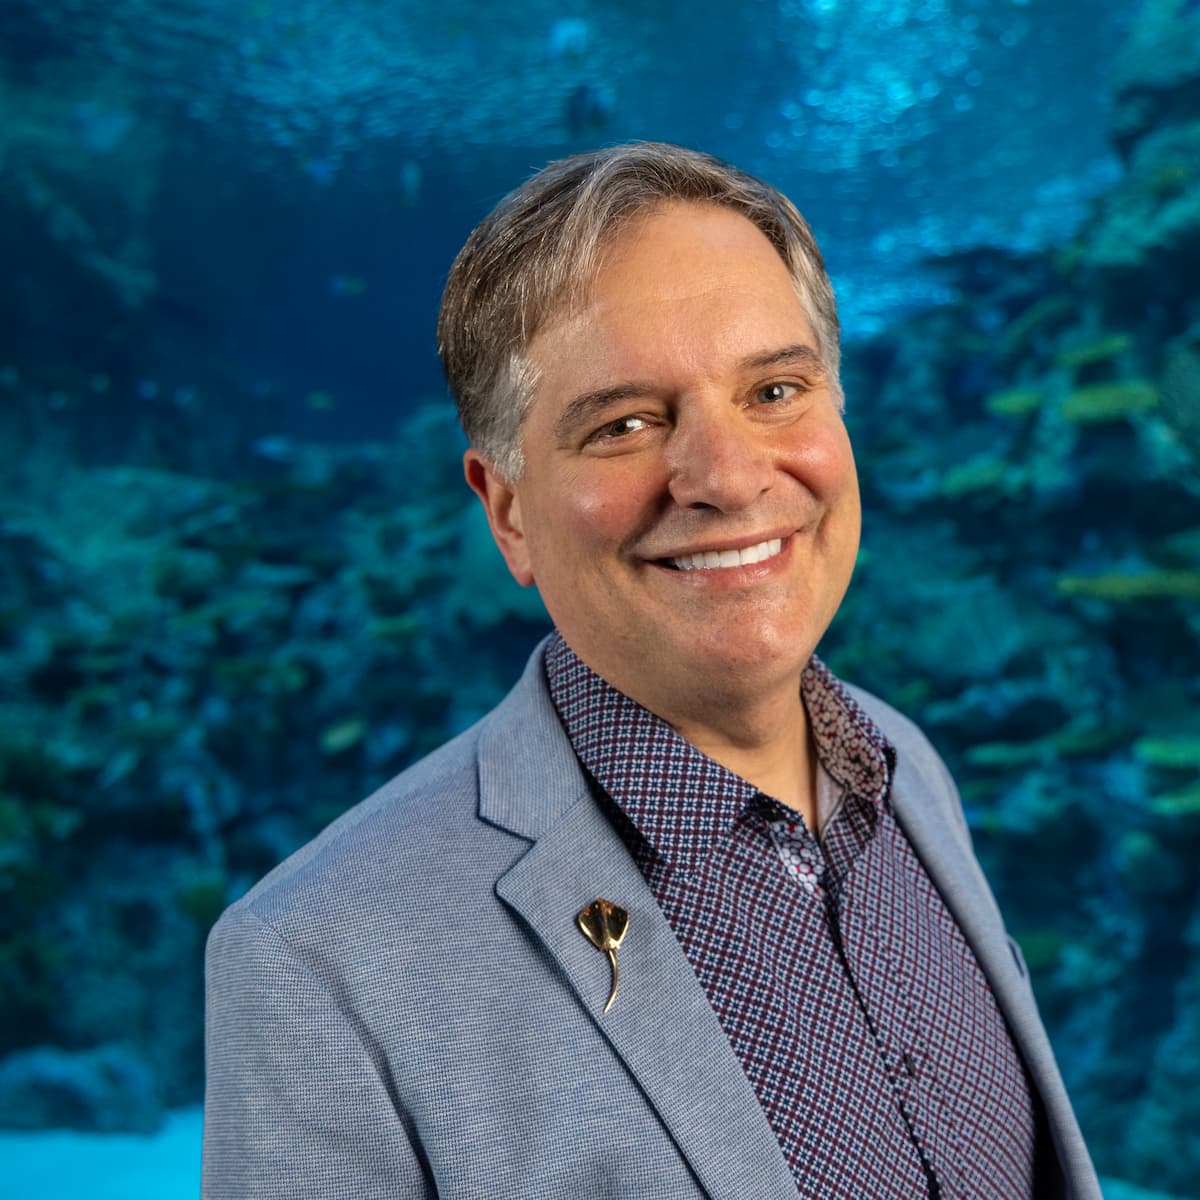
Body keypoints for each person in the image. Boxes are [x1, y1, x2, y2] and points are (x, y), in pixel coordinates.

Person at [202, 142, 1101, 1199]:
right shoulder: (317, 962)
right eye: (625, 423)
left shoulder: (907, 764)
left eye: (774, 389)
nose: (726, 476)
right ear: (508, 512)